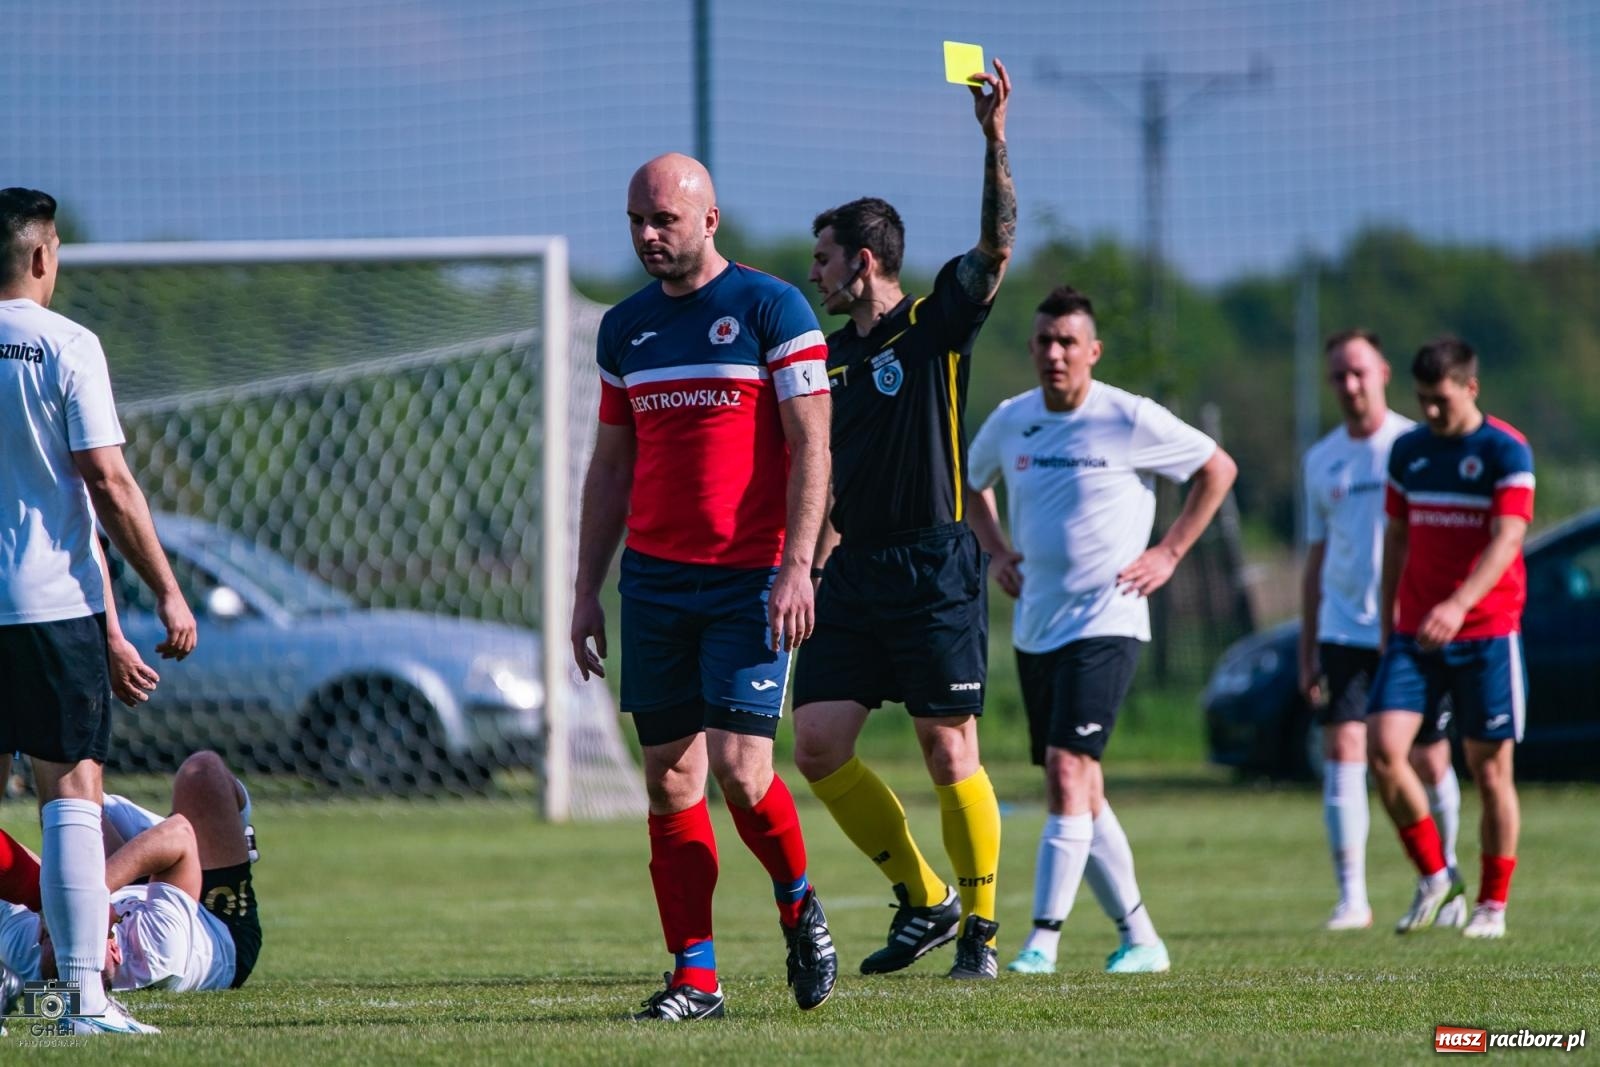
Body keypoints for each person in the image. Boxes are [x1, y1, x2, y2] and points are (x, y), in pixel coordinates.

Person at [570, 154, 836, 1021]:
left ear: (710, 220)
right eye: (636, 221)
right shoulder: (625, 329)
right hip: (652, 583)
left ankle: (797, 901)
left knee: (741, 770)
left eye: (665, 221)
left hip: (751, 580)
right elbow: (610, 468)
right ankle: (697, 977)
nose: (648, 235)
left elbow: (812, 447)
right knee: (669, 781)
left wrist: (798, 565)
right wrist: (584, 590)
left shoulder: (772, 309)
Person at [791, 58, 1015, 981]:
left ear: (865, 261)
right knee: (816, 743)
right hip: (856, 570)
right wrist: (807, 563)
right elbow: (828, 473)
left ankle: (983, 934)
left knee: (944, 742)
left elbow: (996, 247)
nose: (816, 277)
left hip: (935, 565)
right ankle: (926, 897)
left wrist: (996, 140)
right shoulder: (826, 359)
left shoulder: (933, 325)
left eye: (824, 261)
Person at [963, 285, 1236, 975]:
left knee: (1065, 770)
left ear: (1092, 351)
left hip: (1109, 617)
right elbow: (970, 484)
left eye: (1068, 342)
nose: (1055, 353)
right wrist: (995, 549)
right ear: (1031, 349)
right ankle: (1141, 937)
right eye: (1044, 341)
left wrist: (1170, 552)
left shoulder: (1127, 417)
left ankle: (1041, 941)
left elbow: (1216, 468)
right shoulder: (1011, 419)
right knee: (1084, 786)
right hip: (1037, 625)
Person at [0, 187, 197, 1035]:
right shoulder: (68, 344)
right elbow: (109, 482)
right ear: (43, 257)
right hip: (49, 606)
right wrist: (164, 585)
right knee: (71, 791)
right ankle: (82, 996)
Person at [1299, 330, 1466, 932]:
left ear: (1384, 372)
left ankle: (1446, 880)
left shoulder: (1415, 445)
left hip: (1413, 630)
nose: (1349, 385)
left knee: (1428, 758)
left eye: (1358, 373)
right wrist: (1307, 647)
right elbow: (1316, 559)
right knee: (1344, 748)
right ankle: (1352, 899)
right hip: (1345, 630)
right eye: (1338, 376)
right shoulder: (1320, 459)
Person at [1370, 336, 1533, 939]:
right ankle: (1437, 875)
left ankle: (1493, 904)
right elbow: (1396, 537)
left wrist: (1459, 603)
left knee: (1489, 771)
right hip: (1415, 631)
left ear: (1471, 388)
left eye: (1440, 400)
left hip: (1486, 630)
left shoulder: (1506, 451)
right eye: (1420, 400)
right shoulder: (1408, 451)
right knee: (1385, 752)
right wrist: (1392, 616)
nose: (1430, 413)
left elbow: (1508, 538)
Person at [0, 750, 261, 998]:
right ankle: (233, 839)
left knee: (66, 802)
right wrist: (86, 898)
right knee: (203, 773)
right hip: (210, 919)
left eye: (49, 937)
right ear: (114, 947)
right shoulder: (156, 951)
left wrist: (70, 895)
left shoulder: (24, 953)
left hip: (122, 893)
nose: (62, 930)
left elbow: (15, 867)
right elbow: (180, 834)